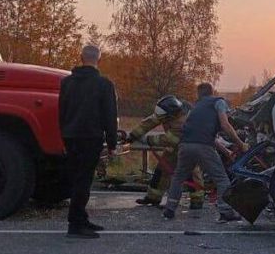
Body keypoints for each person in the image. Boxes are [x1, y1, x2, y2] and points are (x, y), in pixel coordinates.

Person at [162, 83, 249, 222]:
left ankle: (169, 209)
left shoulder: (195, 107)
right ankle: (225, 212)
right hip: (203, 146)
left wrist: (226, 151)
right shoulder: (219, 102)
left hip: (185, 145)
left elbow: (202, 133)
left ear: (199, 94)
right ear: (212, 91)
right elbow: (225, 125)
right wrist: (241, 144)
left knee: (178, 177)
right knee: (222, 179)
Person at [58, 45, 118, 239]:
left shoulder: (66, 83)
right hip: (91, 137)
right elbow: (110, 116)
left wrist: (64, 133)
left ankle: (81, 218)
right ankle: (75, 224)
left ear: (81, 58)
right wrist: (112, 144)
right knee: (84, 180)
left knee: (77, 178)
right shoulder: (104, 85)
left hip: (70, 135)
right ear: (98, 60)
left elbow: (62, 111)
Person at [127, 95, 204, 210]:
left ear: (172, 114)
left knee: (191, 173)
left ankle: (197, 200)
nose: (160, 118)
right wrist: (133, 136)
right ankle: (153, 197)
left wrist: (147, 140)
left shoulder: (182, 120)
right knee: (161, 171)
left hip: (189, 146)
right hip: (174, 147)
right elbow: (150, 122)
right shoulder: (167, 111)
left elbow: (170, 139)